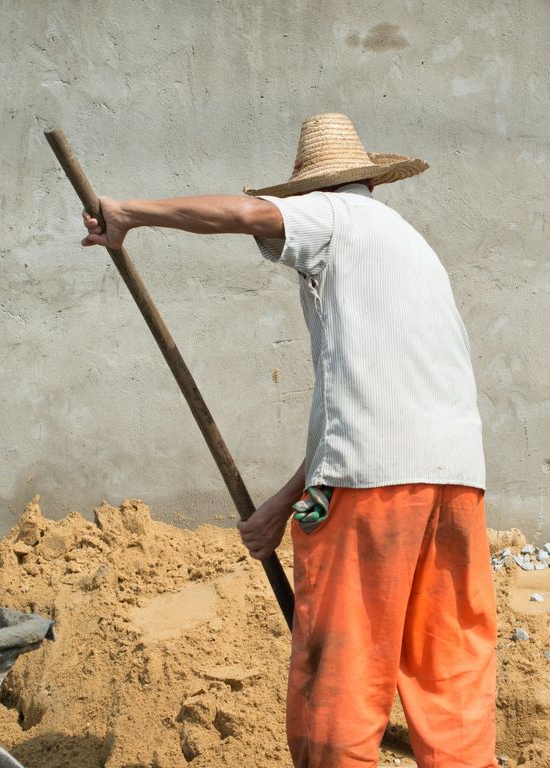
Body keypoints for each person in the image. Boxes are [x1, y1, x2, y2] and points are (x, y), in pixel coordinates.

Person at [80, 112, 496, 767]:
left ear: (311, 194)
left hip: (372, 496)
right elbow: (363, 415)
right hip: (454, 484)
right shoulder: (406, 248)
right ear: (372, 183)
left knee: (339, 683)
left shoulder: (334, 220)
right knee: (452, 684)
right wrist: (278, 508)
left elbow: (247, 214)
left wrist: (130, 212)